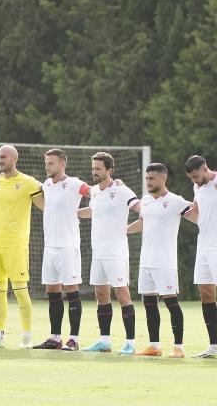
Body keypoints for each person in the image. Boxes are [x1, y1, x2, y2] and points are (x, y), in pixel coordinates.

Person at [127, 163, 195, 357]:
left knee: (171, 303)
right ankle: (154, 346)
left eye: (152, 178)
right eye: (147, 178)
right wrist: (122, 231)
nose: (148, 182)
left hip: (165, 262)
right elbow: (142, 223)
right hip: (146, 261)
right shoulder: (146, 201)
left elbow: (197, 216)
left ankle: (179, 348)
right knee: (148, 302)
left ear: (163, 178)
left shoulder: (175, 201)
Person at [0, 145, 44, 348]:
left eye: (4, 157)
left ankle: (27, 336)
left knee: (20, 291)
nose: (0, 160)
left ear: (14, 158)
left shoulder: (28, 182)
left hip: (16, 245)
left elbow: (45, 206)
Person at [78, 152, 140, 355]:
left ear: (109, 170)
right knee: (101, 294)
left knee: (122, 294)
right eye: (93, 168)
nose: (94, 172)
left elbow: (140, 208)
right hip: (99, 253)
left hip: (116, 252)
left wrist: (131, 227)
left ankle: (130, 342)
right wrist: (72, 213)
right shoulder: (94, 191)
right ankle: (104, 341)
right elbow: (93, 211)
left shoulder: (122, 190)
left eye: (98, 168)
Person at [32, 149, 90, 351]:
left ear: (62, 164)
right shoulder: (47, 185)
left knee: (71, 290)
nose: (47, 166)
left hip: (68, 246)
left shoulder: (74, 183)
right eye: (46, 162)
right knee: (52, 291)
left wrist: (114, 185)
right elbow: (46, 206)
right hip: (50, 247)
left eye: (51, 163)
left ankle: (73, 339)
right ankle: (55, 338)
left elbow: (94, 192)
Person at [184, 155, 217, 358]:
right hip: (203, 245)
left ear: (205, 169)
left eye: (196, 176)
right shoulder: (197, 187)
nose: (194, 181)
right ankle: (214, 345)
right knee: (206, 294)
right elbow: (197, 211)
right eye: (191, 178)